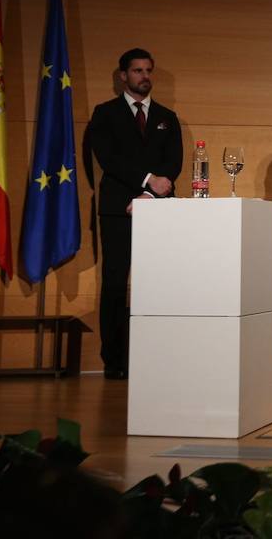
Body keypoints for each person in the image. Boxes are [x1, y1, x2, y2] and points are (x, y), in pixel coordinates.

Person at [89, 48, 183, 379]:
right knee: (115, 283)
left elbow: (174, 164)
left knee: (159, 284)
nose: (144, 76)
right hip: (118, 212)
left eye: (148, 70)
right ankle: (114, 361)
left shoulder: (166, 117)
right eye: (137, 70)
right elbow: (109, 158)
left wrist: (148, 193)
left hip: (158, 211)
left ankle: (157, 357)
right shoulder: (105, 113)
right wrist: (145, 181)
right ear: (123, 76)